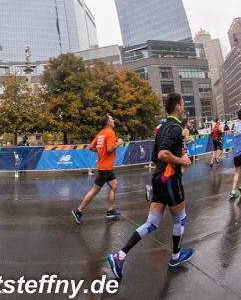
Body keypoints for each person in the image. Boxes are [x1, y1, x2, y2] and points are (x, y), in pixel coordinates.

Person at [108, 93, 193, 279]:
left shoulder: (162, 127)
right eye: (183, 105)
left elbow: (155, 157)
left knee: (152, 223)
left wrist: (176, 156)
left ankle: (120, 256)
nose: (184, 108)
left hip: (158, 178)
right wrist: (182, 159)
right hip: (169, 179)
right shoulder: (176, 128)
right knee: (181, 219)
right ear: (178, 107)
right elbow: (162, 154)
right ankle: (175, 257)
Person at [72, 115, 123, 224]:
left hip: (106, 167)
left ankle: (110, 210)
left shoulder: (100, 134)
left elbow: (91, 147)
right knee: (95, 190)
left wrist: (100, 151)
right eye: (112, 119)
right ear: (109, 123)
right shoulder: (110, 133)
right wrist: (119, 143)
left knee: (114, 186)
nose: (114, 120)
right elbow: (110, 149)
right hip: (105, 168)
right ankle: (78, 210)